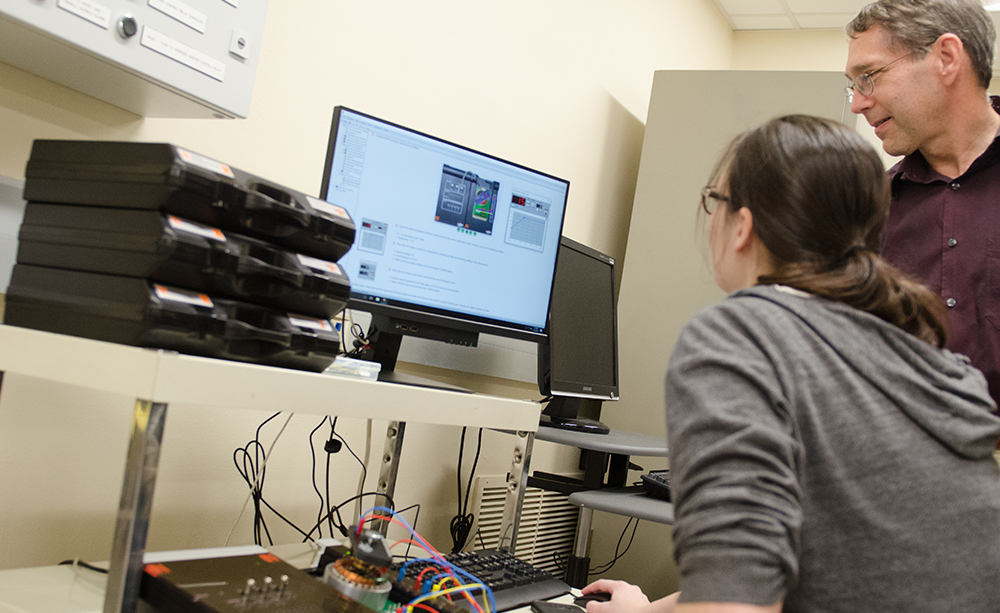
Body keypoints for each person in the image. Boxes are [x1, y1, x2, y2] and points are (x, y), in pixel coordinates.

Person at [581, 116, 1000, 613]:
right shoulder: (920, 355)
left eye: (714, 200)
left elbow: (736, 608)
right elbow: (846, 563)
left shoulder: (741, 334)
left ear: (743, 225)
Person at [844, 0, 1000, 410]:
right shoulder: (873, 206)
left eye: (869, 77)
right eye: (853, 84)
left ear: (946, 58)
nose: (857, 103)